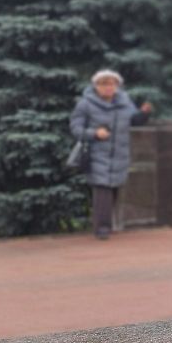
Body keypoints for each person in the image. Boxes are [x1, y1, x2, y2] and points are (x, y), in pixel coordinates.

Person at [69, 70, 153, 239]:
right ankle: (102, 228)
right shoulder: (85, 104)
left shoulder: (125, 102)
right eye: (104, 84)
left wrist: (144, 114)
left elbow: (134, 121)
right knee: (103, 189)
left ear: (117, 86)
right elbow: (75, 129)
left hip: (120, 154)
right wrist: (94, 133)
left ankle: (107, 225)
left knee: (113, 188)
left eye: (112, 84)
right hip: (97, 154)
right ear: (96, 86)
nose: (108, 87)